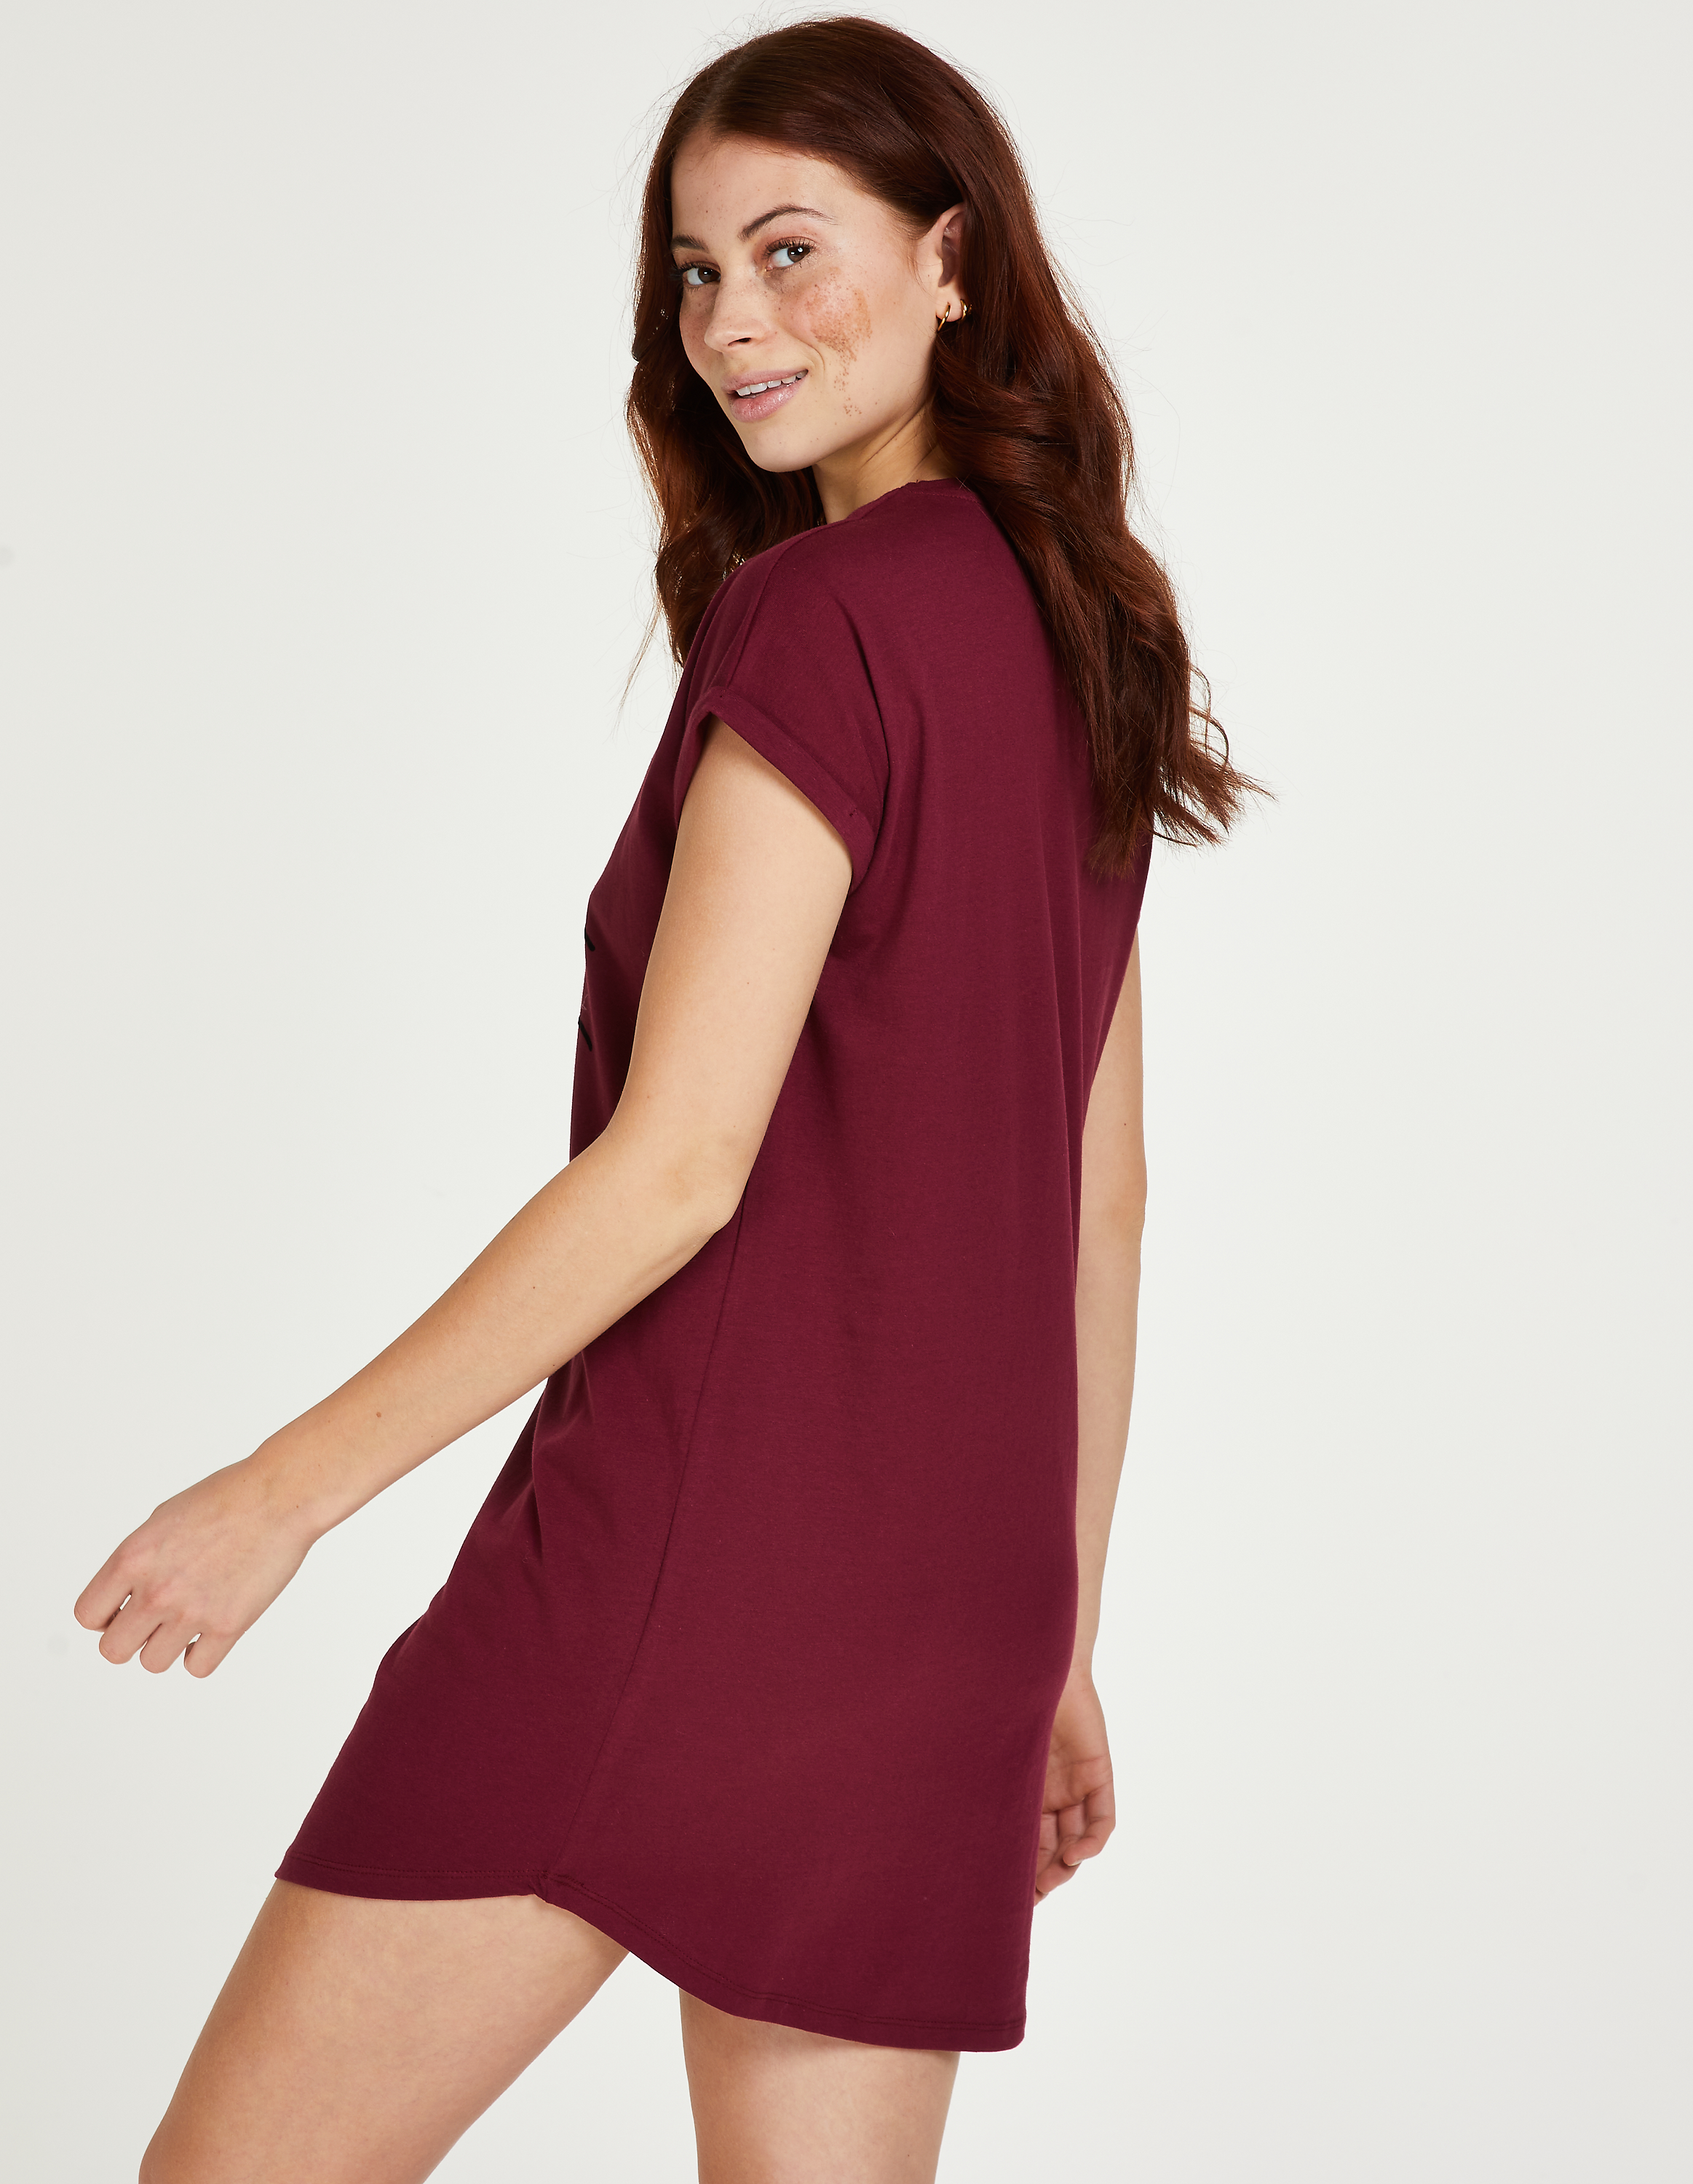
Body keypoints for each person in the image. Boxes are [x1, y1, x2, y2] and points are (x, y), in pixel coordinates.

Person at [76, 19, 1253, 2182]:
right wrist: (1054, 1641)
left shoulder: (826, 617)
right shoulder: (1081, 635)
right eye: (695, 274)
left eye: (791, 250)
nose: (730, 324)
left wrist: (280, 1494)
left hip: (684, 1559)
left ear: (953, 259)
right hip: (947, 1618)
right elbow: (1105, 1200)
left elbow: (680, 1167)